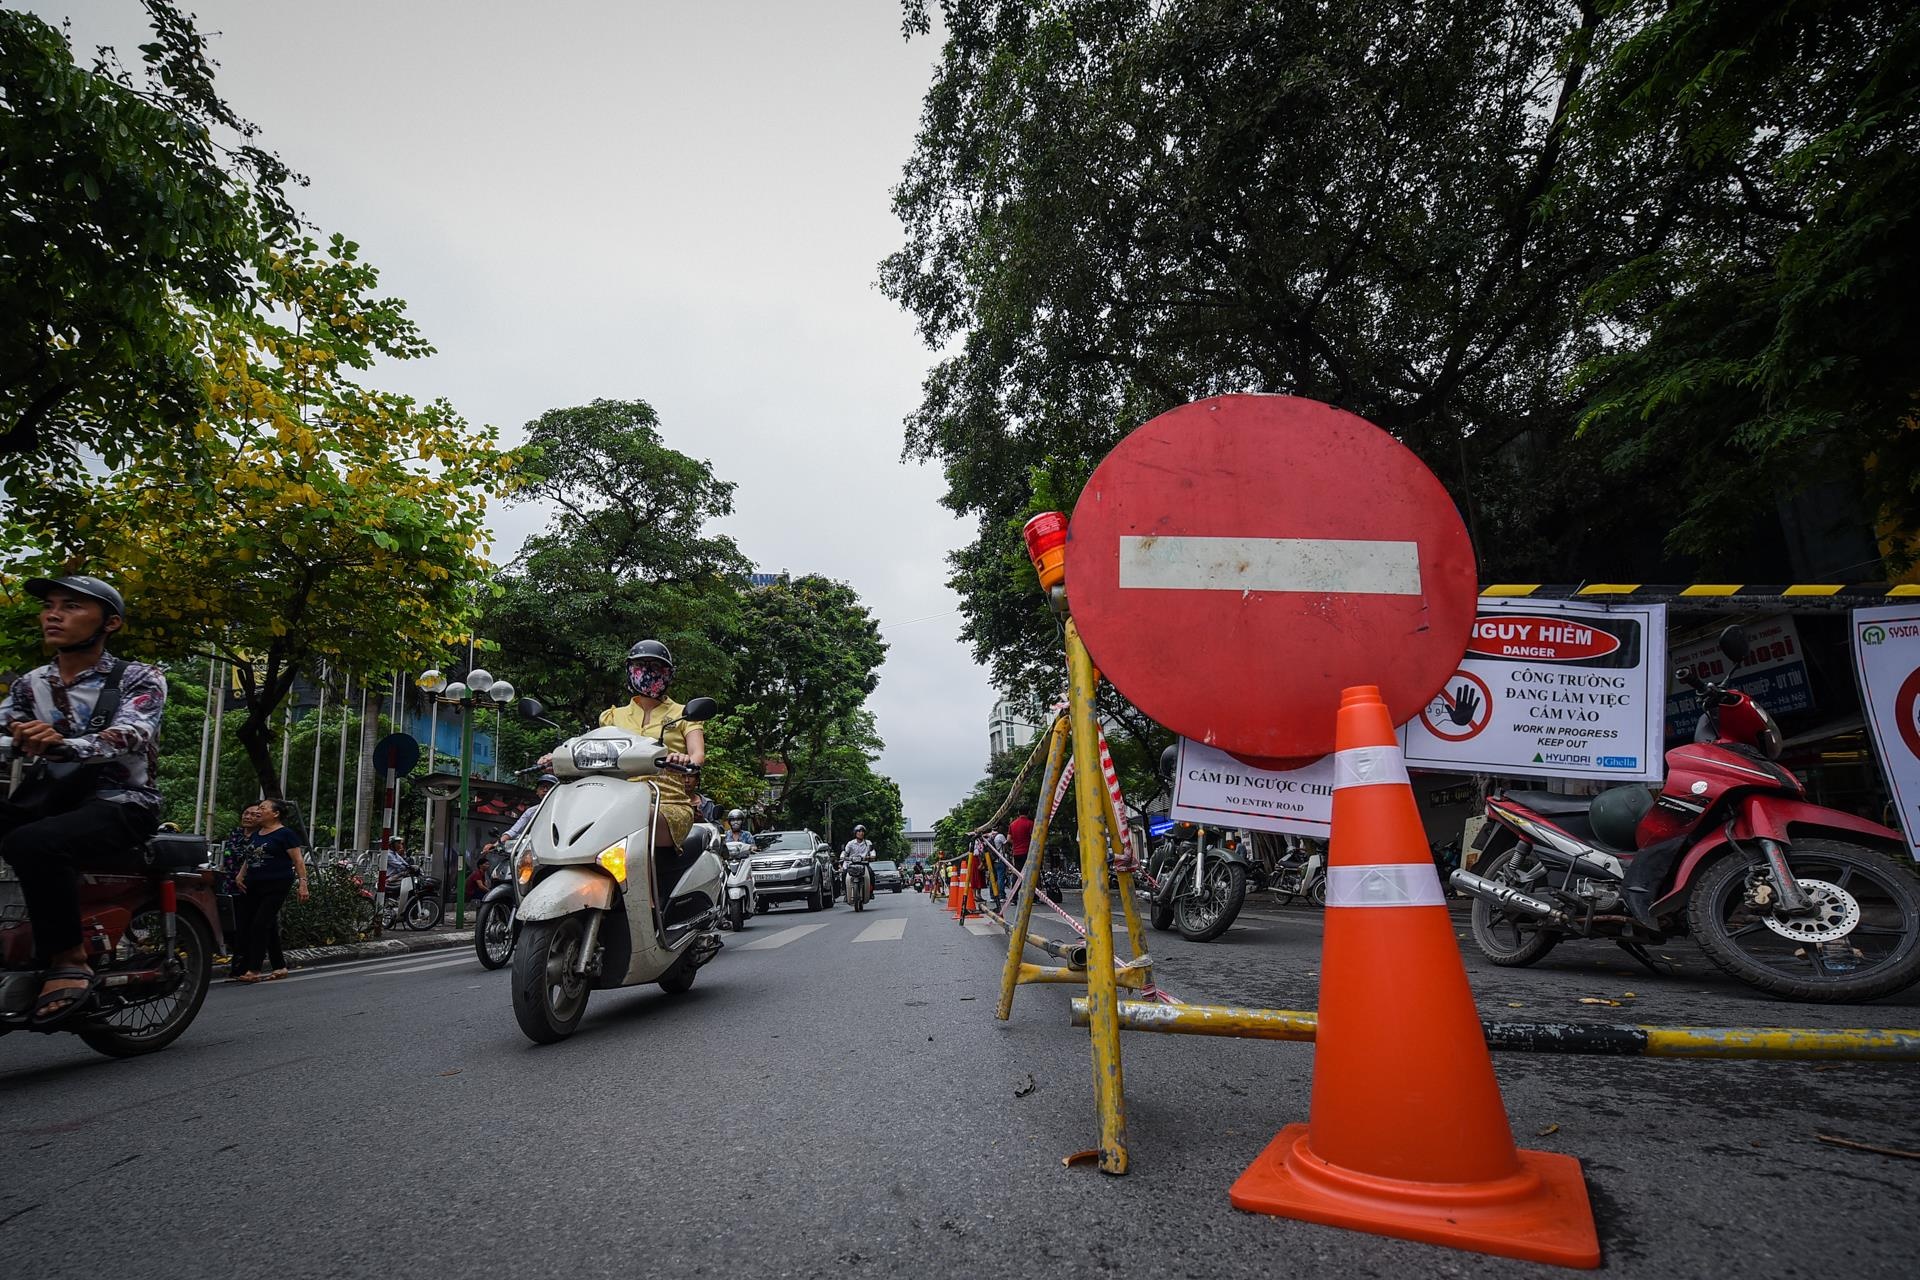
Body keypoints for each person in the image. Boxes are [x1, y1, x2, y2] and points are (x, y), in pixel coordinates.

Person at [0, 575, 166, 1024]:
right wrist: (18, 736)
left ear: (109, 623)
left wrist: (64, 744)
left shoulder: (139, 678)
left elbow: (130, 734)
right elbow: (4, 727)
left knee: (33, 843)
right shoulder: (29, 684)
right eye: (50, 605)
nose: (53, 614)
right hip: (48, 799)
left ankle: (68, 959)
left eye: (71, 606)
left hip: (123, 802)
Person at [595, 640, 706, 894]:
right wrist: (556, 755)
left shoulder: (684, 714)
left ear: (668, 674)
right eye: (640, 666)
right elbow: (591, 747)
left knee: (635, 819)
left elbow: (698, 755)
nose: (647, 673)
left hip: (667, 802)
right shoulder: (611, 716)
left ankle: (645, 904)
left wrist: (684, 759)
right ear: (629, 671)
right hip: (615, 799)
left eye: (656, 667)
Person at [231, 799, 308, 982]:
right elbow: (250, 856)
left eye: (263, 808)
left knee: (259, 924)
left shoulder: (286, 834)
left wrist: (303, 883)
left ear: (275, 813)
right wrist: (240, 875)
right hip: (254, 884)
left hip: (277, 884)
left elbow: (298, 861)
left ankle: (254, 970)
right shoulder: (258, 833)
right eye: (258, 807)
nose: (258, 811)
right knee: (268, 925)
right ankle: (279, 967)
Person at [841, 824, 875, 902]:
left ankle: (871, 892)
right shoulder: (850, 843)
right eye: (859, 831)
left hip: (864, 864)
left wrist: (871, 856)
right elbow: (845, 852)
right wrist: (842, 856)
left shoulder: (868, 843)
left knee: (871, 874)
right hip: (852, 864)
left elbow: (872, 852)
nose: (861, 833)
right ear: (855, 833)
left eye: (863, 831)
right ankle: (845, 892)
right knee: (844, 874)